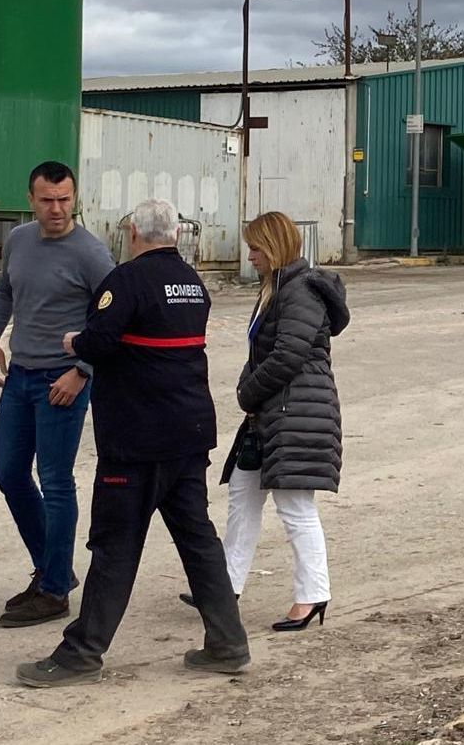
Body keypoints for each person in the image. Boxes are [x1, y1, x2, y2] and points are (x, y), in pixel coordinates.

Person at [15, 199, 249, 687]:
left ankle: (81, 654)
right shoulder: (192, 283)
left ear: (135, 234)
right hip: (189, 432)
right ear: (177, 235)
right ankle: (228, 642)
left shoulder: (124, 281)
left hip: (137, 438)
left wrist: (74, 343)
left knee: (115, 545)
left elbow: (100, 341)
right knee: (198, 541)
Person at [195, 210, 349, 631]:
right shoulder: (277, 288)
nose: (250, 256)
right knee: (242, 495)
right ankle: (225, 586)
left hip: (295, 415)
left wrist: (247, 391)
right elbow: (269, 354)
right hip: (275, 414)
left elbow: (287, 356)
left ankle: (313, 593)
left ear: (274, 247)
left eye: (256, 248)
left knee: (295, 506)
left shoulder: (299, 292)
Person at [0, 161, 115, 628]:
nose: (57, 209)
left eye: (64, 200)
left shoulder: (92, 254)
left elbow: (114, 321)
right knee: (8, 473)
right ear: (31, 200)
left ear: (74, 198)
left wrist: (82, 371)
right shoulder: (19, 240)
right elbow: (4, 291)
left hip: (63, 381)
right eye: (47, 200)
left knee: (56, 481)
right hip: (20, 375)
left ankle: (55, 590)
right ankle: (52, 567)